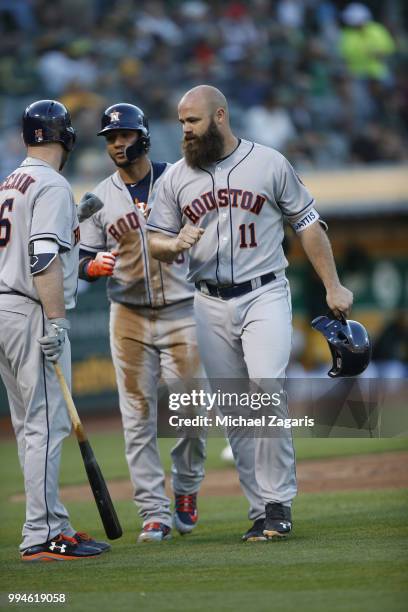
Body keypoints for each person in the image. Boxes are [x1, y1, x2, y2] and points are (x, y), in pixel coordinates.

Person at [147, 85, 353, 541]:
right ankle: (260, 510)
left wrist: (333, 285)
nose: (185, 130)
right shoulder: (176, 178)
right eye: (181, 122)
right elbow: (154, 239)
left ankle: (278, 502)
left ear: (219, 116)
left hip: (264, 292)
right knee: (237, 412)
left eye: (193, 121)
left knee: (265, 389)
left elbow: (309, 224)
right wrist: (171, 244)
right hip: (207, 300)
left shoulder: (268, 163)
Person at [79, 103, 206, 543]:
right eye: (111, 138)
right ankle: (153, 512)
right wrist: (90, 266)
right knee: (135, 418)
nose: (117, 144)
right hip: (128, 314)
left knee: (190, 412)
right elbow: (79, 255)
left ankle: (186, 489)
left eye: (125, 135)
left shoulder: (179, 180)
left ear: (144, 136)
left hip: (183, 311)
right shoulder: (97, 197)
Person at [0, 99, 109, 561]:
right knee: (47, 425)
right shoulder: (51, 183)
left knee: (31, 427)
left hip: (6, 307)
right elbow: (42, 256)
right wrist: (58, 320)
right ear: (65, 138)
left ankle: (53, 523)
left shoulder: (9, 182)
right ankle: (42, 535)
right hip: (30, 311)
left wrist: (74, 219)